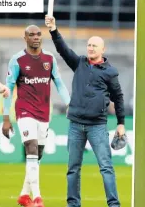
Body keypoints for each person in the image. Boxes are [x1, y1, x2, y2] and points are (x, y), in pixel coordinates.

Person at [45, 15, 125, 207]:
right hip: (75, 125)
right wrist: (54, 30)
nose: (90, 48)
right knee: (73, 169)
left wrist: (121, 123)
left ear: (102, 50)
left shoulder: (110, 72)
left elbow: (119, 97)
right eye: (89, 45)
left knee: (106, 168)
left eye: (94, 46)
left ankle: (114, 204)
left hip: (97, 126)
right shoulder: (79, 63)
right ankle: (73, 204)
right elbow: (63, 50)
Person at [1, 25, 71, 207]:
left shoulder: (49, 59)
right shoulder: (17, 60)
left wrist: (69, 103)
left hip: (43, 112)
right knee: (31, 148)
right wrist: (6, 118)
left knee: (37, 155)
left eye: (38, 34)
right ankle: (38, 198)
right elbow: (7, 89)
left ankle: (24, 195)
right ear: (25, 38)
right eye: (31, 35)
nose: (36, 37)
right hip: (24, 110)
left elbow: (60, 84)